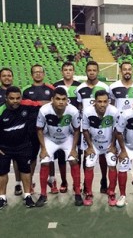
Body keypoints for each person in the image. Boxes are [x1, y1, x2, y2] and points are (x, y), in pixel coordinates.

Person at [35, 87, 82, 207]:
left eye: (63, 99)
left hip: (67, 139)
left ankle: (77, 193)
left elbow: (77, 130)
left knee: (73, 160)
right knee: (45, 161)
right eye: (57, 99)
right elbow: (39, 129)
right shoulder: (44, 110)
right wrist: (44, 149)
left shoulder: (73, 110)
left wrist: (73, 149)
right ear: (52, 100)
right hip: (50, 139)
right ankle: (43, 195)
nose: (61, 102)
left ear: (67, 100)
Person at [0, 86, 41, 209]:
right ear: (6, 98)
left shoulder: (26, 106)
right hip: (4, 147)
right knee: (2, 173)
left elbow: (45, 104)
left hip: (23, 146)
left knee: (26, 171)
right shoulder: (1, 110)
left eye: (18, 98)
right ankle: (2, 197)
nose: (15, 101)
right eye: (12, 98)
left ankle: (27, 196)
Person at [109, 61, 133, 195]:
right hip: (119, 127)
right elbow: (111, 106)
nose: (127, 72)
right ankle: (116, 187)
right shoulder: (113, 87)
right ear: (120, 71)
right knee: (121, 157)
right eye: (124, 69)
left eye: (129, 69)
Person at [76, 61, 109, 194]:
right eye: (89, 70)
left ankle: (104, 179)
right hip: (87, 127)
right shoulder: (80, 89)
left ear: (98, 71)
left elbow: (107, 105)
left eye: (94, 70)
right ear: (86, 71)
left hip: (102, 126)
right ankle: (86, 183)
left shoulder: (104, 87)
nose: (92, 72)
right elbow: (79, 107)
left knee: (103, 156)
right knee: (87, 154)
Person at [22, 64, 55, 194]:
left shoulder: (51, 89)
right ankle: (29, 184)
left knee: (50, 155)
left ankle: (52, 180)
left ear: (43, 74)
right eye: (35, 72)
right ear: (31, 75)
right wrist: (39, 103)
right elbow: (23, 104)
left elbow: (56, 103)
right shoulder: (26, 91)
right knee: (33, 157)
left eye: (40, 72)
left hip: (49, 127)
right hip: (32, 127)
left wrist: (38, 104)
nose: (38, 74)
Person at [82, 90, 118, 206]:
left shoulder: (114, 111)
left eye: (105, 102)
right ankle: (88, 193)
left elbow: (117, 129)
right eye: (99, 102)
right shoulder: (87, 112)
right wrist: (90, 147)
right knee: (88, 165)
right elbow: (85, 130)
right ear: (94, 102)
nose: (102, 104)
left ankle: (111, 192)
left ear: (108, 102)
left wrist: (112, 145)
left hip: (108, 144)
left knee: (112, 165)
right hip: (94, 145)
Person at [52, 62, 81, 193]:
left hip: (74, 125)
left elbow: (81, 105)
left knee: (75, 155)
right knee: (61, 156)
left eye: (70, 70)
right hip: (60, 125)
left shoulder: (79, 86)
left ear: (73, 71)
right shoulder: (56, 86)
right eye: (65, 70)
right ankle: (64, 181)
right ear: (62, 71)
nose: (68, 72)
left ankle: (77, 182)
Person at [0, 68, 23, 196]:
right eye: (4, 76)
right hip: (1, 132)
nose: (7, 78)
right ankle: (2, 194)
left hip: (16, 132)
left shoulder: (17, 92)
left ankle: (18, 184)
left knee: (17, 161)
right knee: (2, 165)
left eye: (9, 75)